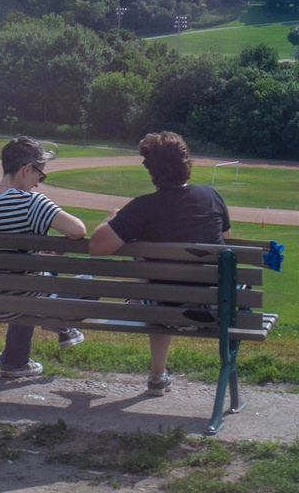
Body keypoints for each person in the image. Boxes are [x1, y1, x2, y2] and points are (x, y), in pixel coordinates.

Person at [90, 130, 232, 397]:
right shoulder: (211, 195)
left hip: (163, 310)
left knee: (155, 281)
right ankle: (165, 375)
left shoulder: (142, 207)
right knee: (165, 282)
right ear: (185, 162)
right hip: (214, 310)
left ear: (151, 169)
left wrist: (111, 216)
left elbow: (96, 246)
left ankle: (157, 375)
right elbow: (226, 240)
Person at [0, 135, 88, 378]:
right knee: (85, 281)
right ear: (27, 169)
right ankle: (57, 321)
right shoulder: (31, 203)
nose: (38, 184)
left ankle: (15, 362)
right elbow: (78, 230)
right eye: (40, 175)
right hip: (21, 298)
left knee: (30, 277)